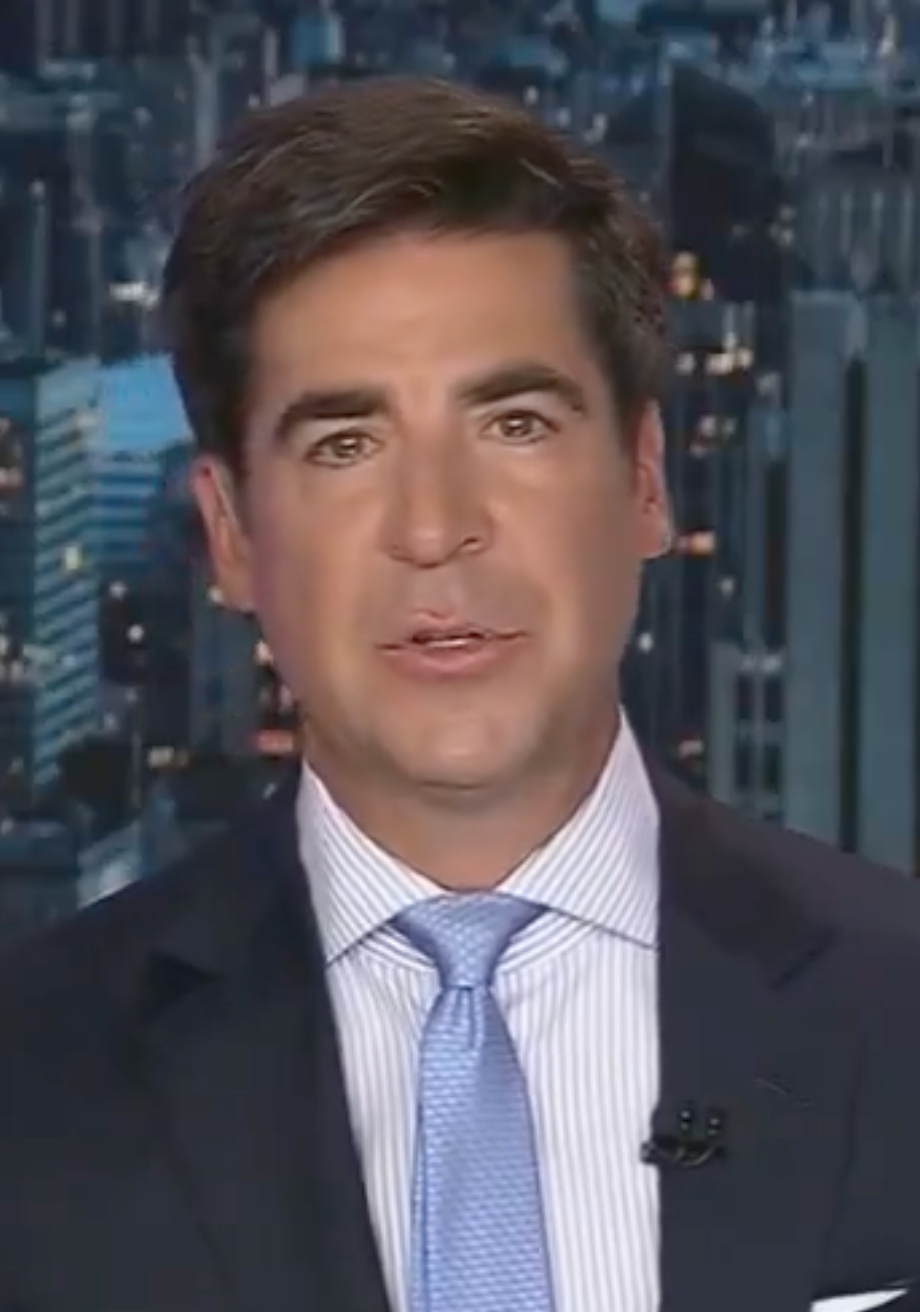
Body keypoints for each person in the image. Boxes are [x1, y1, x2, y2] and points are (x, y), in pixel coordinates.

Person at [0, 75, 918, 1312]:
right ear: (229, 537)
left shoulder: (895, 997)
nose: (436, 527)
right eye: (343, 445)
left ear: (644, 481)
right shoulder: (32, 1078)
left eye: (516, 425)